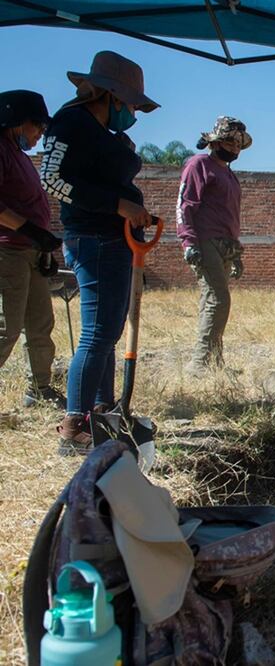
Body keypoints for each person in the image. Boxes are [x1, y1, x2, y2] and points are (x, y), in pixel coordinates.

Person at [39, 51, 159, 454]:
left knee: (108, 332)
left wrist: (131, 209)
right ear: (109, 94)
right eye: (129, 105)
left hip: (114, 239)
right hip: (94, 239)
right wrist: (118, 205)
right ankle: (75, 424)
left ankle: (103, 414)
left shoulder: (103, 132)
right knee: (95, 334)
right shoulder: (71, 123)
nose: (132, 113)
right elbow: (51, 180)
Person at [0, 90, 65, 409]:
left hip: (30, 251)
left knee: (40, 324)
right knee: (6, 328)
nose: (40, 133)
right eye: (37, 125)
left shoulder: (21, 157)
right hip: (6, 251)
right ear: (15, 121)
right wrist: (28, 230)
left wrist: (44, 247)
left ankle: (39, 388)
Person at [177, 116, 252, 371]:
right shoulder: (199, 164)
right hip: (205, 241)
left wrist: (236, 252)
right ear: (216, 140)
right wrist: (188, 242)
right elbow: (185, 205)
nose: (234, 148)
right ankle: (199, 364)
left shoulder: (229, 175)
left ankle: (216, 363)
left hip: (226, 245)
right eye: (230, 141)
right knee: (218, 300)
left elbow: (230, 215)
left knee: (212, 302)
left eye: (239, 144)